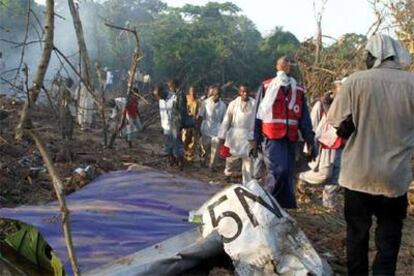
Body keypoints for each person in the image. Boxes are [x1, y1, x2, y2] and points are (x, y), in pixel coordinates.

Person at [327, 33, 413, 276]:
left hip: (358, 175)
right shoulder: (412, 83)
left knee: (357, 235)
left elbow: (337, 122)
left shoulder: (355, 82)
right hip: (393, 179)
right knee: (389, 238)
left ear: (373, 56)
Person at [251, 56, 316, 209]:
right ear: (277, 66)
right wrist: (254, 138)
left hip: (290, 138)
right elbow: (257, 114)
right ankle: (267, 205)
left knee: (288, 173)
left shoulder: (298, 89)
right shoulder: (267, 86)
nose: (288, 66)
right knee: (277, 171)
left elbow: (304, 117)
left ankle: (282, 208)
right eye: (284, 63)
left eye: (290, 63)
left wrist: (310, 139)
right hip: (272, 137)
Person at [298, 79, 346, 209]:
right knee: (324, 175)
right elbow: (312, 126)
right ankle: (303, 178)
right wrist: (309, 146)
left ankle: (329, 204)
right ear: (334, 91)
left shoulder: (347, 106)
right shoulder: (321, 105)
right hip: (325, 145)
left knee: (337, 178)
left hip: (342, 146)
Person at [218, 84, 255, 184]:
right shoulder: (233, 104)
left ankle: (247, 182)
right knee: (231, 158)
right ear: (239, 92)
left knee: (248, 159)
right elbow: (226, 120)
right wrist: (222, 136)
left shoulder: (254, 104)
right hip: (235, 134)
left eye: (247, 92)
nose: (245, 94)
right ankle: (228, 174)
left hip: (248, 136)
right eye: (243, 92)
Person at [154, 85, 184, 169]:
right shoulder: (161, 100)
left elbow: (180, 111)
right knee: (168, 145)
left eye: (159, 95)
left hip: (175, 125)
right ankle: (172, 160)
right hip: (165, 125)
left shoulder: (174, 97)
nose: (158, 98)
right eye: (157, 96)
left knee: (177, 144)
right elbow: (162, 113)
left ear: (163, 91)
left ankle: (180, 161)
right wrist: (162, 126)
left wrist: (180, 125)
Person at [198, 85, 226, 170]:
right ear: (212, 93)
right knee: (205, 147)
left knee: (215, 149)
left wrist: (224, 132)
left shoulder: (223, 105)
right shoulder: (205, 103)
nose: (217, 96)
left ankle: (212, 166)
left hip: (217, 130)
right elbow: (200, 116)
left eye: (219, 94)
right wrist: (198, 128)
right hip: (206, 128)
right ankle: (203, 160)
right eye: (215, 94)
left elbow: (224, 120)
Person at [182, 86, 200, 162]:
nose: (193, 93)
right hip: (185, 123)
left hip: (193, 124)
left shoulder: (198, 102)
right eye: (191, 91)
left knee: (193, 141)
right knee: (184, 139)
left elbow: (199, 114)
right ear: (189, 92)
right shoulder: (185, 99)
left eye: (194, 92)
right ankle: (183, 154)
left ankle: (190, 158)